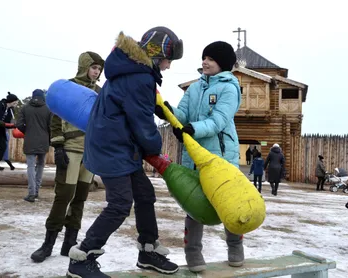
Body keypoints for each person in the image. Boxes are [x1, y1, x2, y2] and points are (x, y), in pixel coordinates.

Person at [67, 27, 183, 278]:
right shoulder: (139, 77)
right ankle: (82, 258)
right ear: (156, 53)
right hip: (113, 147)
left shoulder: (132, 70)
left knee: (144, 194)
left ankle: (147, 251)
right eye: (168, 60)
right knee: (120, 203)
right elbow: (141, 122)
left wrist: (160, 108)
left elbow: (136, 106)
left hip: (119, 145)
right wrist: (155, 149)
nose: (168, 66)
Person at [159, 41, 243, 272]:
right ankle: (193, 253)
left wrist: (193, 129)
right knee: (193, 206)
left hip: (220, 157)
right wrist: (166, 110)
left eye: (211, 59)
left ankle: (235, 246)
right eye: (204, 58)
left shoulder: (230, 88)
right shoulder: (195, 87)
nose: (205, 62)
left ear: (223, 63)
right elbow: (183, 114)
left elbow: (218, 121)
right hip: (194, 156)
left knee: (229, 204)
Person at [30, 52, 104, 263]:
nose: (96, 72)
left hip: (90, 154)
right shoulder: (67, 88)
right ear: (84, 66)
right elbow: (55, 118)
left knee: (80, 197)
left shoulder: (100, 93)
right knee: (64, 196)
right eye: (93, 67)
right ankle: (47, 244)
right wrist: (59, 146)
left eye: (99, 69)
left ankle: (69, 244)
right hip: (70, 150)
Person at [16, 89, 52, 203]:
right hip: (43, 141)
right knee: (40, 166)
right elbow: (51, 126)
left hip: (30, 140)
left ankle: (31, 193)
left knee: (30, 167)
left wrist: (27, 131)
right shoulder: (48, 109)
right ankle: (36, 191)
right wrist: (49, 139)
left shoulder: (25, 108)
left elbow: (19, 124)